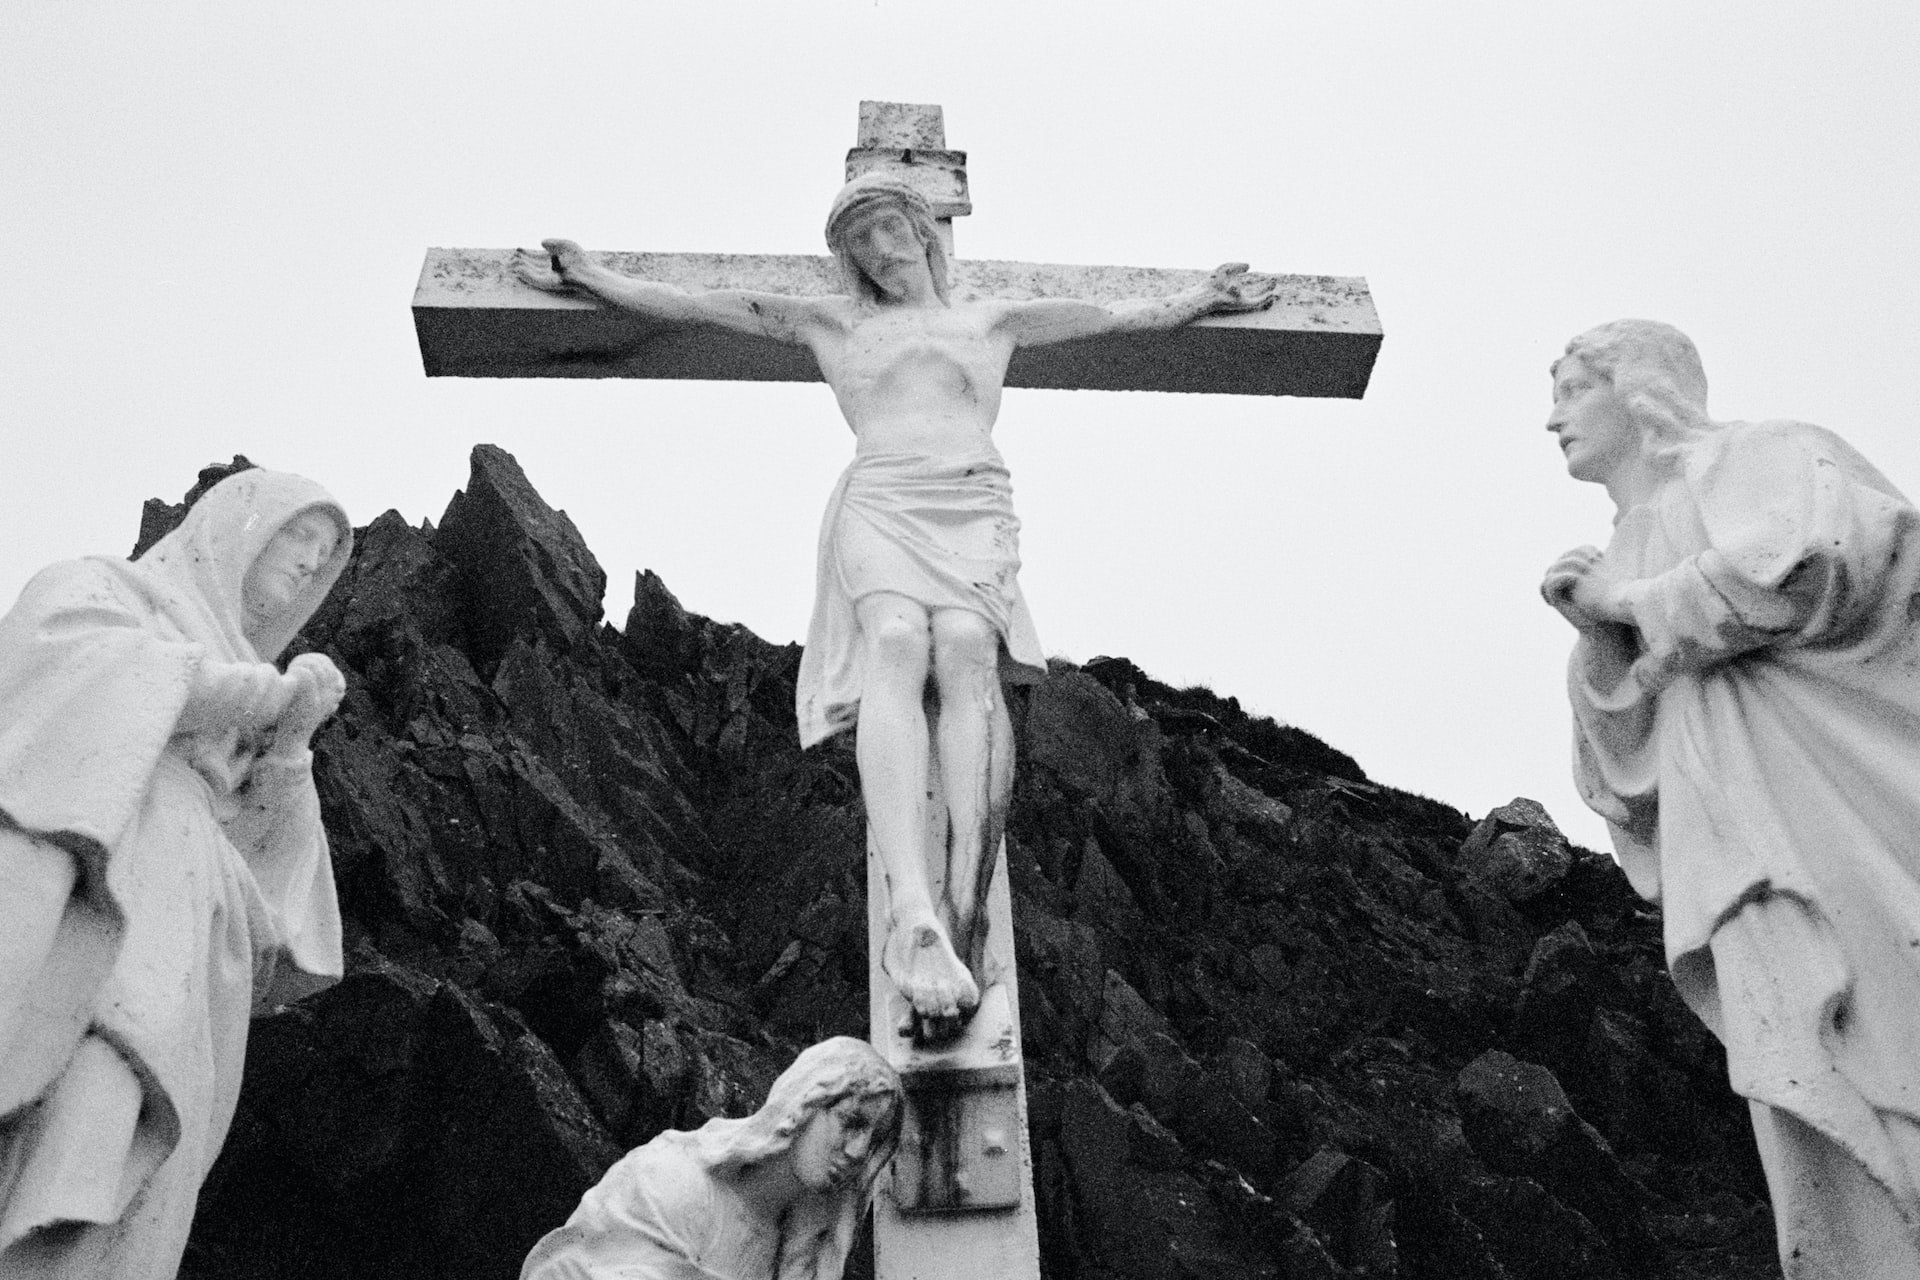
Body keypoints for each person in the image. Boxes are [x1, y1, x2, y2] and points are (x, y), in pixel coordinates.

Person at [517, 174, 1273, 1042]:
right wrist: (594, 277)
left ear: (921, 229)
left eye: (885, 229)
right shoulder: (832, 323)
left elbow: (1112, 318)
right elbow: (696, 304)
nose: (877, 252)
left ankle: (961, 901)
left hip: (971, 500)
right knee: (898, 639)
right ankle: (910, 903)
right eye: (858, 244)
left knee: (968, 650)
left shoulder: (993, 319)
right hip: (882, 499)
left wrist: (1199, 300)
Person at [1541, 319, 1920, 1278]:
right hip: (1736, 841)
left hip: (1839, 808)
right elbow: (1629, 770)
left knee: (1885, 1020)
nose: (1553, 419)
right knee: (1800, 1073)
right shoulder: (1628, 543)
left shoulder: (1763, 454)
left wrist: (1629, 603)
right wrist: (1600, 646)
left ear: (1640, 389)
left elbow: (1818, 561)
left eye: (1574, 389)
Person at [0, 468, 351, 1279]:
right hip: (101, 876)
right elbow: (49, 676)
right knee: (100, 1065)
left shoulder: (261, 702)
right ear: (237, 527)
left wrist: (292, 745)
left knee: (148, 1122)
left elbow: (282, 885)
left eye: (325, 553)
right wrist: (256, 697)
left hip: (201, 923)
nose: (309, 562)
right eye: (299, 535)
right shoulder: (105, 590)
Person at [520, 1036, 904, 1280]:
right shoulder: (671, 1178)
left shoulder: (804, 1252)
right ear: (805, 1103)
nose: (857, 1152)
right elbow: (564, 1270)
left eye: (873, 1143)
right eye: (851, 1122)